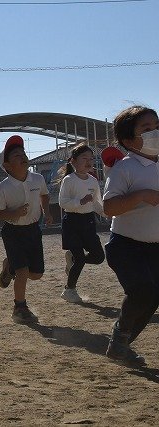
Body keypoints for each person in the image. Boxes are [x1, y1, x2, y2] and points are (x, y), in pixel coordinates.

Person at [102, 105, 159, 367]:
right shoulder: (124, 169)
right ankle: (120, 335)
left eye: (156, 126)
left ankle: (121, 345)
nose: (154, 132)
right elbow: (109, 208)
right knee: (143, 291)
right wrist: (141, 196)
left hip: (155, 247)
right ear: (127, 140)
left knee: (153, 298)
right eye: (146, 128)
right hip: (126, 246)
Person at [0, 135, 53, 324]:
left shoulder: (38, 178)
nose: (22, 156)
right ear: (7, 166)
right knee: (23, 271)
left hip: (33, 230)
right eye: (16, 155)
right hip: (13, 232)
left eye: (23, 152)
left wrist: (47, 212)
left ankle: (9, 266)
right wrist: (15, 213)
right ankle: (20, 308)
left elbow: (44, 195)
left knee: (37, 274)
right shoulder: (3, 187)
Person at [57, 144, 105, 303]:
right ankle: (69, 290)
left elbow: (97, 203)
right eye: (84, 158)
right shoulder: (69, 179)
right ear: (73, 161)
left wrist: (108, 213)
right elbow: (63, 202)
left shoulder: (93, 181)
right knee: (80, 259)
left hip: (88, 222)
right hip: (72, 222)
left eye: (91, 158)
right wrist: (80, 201)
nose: (89, 162)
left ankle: (72, 258)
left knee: (98, 257)